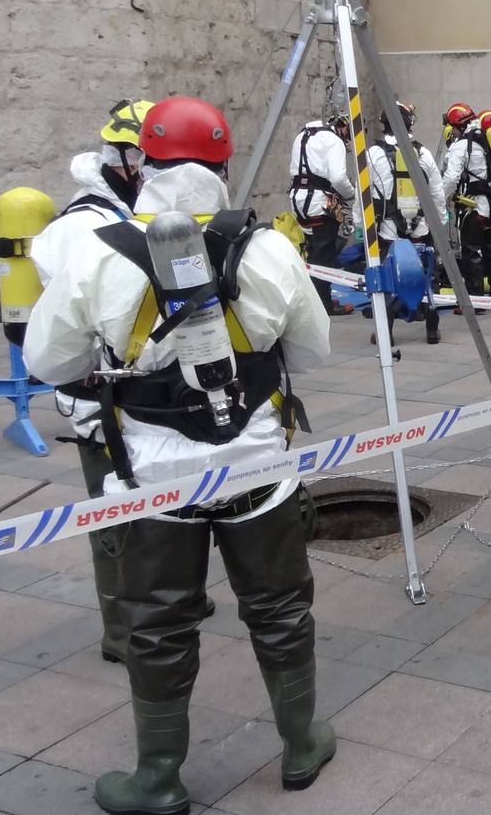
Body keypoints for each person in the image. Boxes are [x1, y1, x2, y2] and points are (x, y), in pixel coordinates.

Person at [23, 97, 335, 814]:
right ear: (225, 166)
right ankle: (300, 745)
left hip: (152, 479)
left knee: (157, 625)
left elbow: (49, 361)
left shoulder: (95, 250)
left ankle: (158, 779)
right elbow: (313, 355)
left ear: (143, 165)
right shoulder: (268, 248)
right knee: (281, 608)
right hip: (258, 466)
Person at [30, 98, 172, 666]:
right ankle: (123, 631)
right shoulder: (82, 227)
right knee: (113, 517)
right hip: (99, 397)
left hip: (140, 395)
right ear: (124, 158)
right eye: (150, 162)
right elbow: (61, 338)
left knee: (150, 505)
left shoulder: (123, 213)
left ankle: (159, 607)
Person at [367, 101, 447, 344]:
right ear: (409, 124)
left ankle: (386, 334)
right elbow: (437, 193)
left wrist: (363, 226)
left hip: (389, 232)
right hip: (420, 229)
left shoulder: (373, 154)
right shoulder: (423, 154)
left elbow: (367, 193)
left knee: (386, 279)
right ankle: (432, 330)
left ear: (384, 126)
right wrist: (439, 223)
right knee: (428, 276)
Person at [289, 112, 357, 316]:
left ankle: (313, 299)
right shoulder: (333, 140)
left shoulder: (303, 134)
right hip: (319, 200)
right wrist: (351, 194)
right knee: (324, 254)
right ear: (344, 128)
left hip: (298, 199)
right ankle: (323, 304)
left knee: (313, 251)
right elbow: (337, 178)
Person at [440, 104, 491, 298]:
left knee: (472, 252)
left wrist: (439, 198)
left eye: (452, 127)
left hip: (475, 206)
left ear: (458, 126)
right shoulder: (488, 139)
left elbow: (452, 178)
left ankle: (475, 297)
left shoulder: (461, 145)